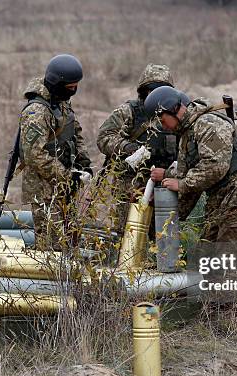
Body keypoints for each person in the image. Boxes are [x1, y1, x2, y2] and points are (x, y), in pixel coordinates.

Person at [144, 86, 237, 242]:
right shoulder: (187, 136)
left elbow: (215, 167)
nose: (163, 126)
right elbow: (187, 182)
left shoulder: (208, 123)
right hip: (221, 202)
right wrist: (164, 205)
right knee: (206, 256)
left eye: (162, 120)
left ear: (173, 108)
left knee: (232, 261)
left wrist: (181, 184)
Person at [18, 54, 92, 244]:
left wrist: (84, 162)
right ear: (56, 83)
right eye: (70, 87)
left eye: (76, 86)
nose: (74, 91)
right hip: (45, 190)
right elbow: (35, 155)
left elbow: (74, 131)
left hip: (64, 185)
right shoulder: (37, 112)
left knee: (71, 240)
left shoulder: (61, 101)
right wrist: (67, 177)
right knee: (53, 245)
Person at [96, 63, 177, 233]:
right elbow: (104, 137)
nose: (157, 95)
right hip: (130, 187)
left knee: (164, 238)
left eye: (162, 90)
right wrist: (129, 148)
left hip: (165, 185)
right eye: (153, 89)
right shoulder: (129, 111)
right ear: (144, 90)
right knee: (127, 236)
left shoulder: (175, 113)